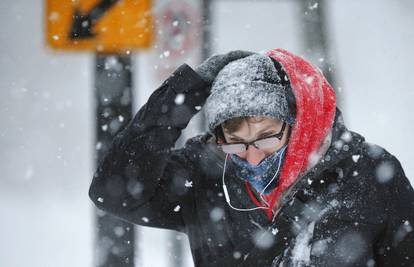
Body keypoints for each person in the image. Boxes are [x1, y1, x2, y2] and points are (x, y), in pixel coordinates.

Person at [88, 48, 414, 266]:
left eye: (267, 138)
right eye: (237, 143)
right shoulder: (207, 172)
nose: (253, 158)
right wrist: (183, 95)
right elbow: (112, 191)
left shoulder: (370, 175)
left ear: (301, 125)